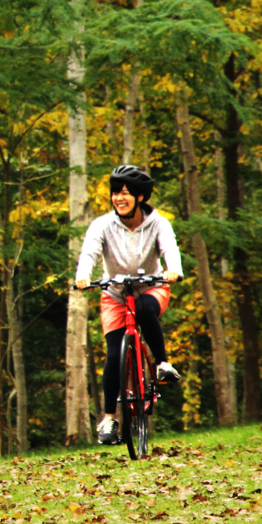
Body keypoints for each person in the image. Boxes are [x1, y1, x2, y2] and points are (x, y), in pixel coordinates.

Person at [74, 165, 182, 446]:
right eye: (115, 193)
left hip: (152, 287)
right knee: (113, 356)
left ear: (140, 197)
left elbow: (169, 247)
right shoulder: (102, 225)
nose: (119, 198)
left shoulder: (158, 223)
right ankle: (109, 419)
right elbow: (90, 252)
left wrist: (173, 269)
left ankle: (161, 364)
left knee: (144, 309)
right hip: (116, 295)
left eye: (125, 193)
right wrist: (82, 275)